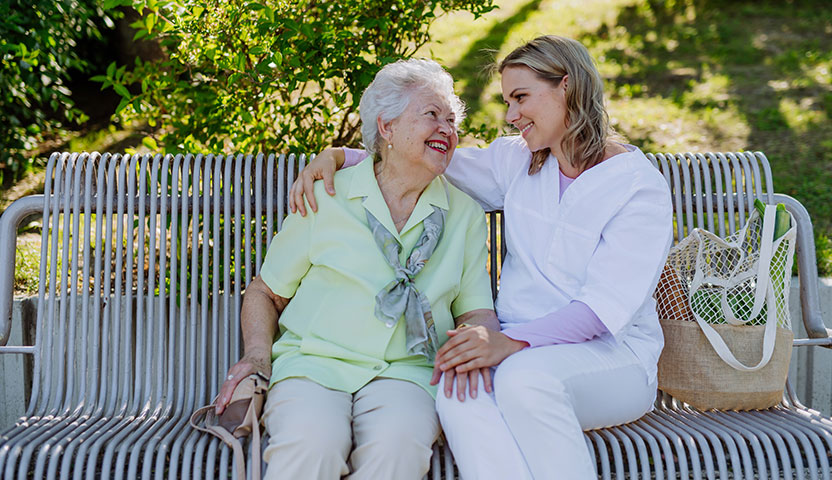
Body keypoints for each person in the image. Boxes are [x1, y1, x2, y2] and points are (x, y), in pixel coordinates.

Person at [288, 35, 674, 479]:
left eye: (521, 98)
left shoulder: (636, 187)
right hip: (513, 352)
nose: (511, 116)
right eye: (508, 101)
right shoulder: (518, 162)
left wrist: (509, 344)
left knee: (525, 381)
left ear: (566, 86)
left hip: (611, 357)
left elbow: (603, 309)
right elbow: (423, 157)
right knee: (456, 390)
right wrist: (338, 155)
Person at [214, 58, 497, 480]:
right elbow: (266, 292)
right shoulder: (326, 195)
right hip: (314, 363)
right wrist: (257, 355)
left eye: (452, 120)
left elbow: (475, 311)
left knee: (398, 451)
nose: (447, 129)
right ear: (387, 128)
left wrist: (479, 338)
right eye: (432, 115)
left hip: (408, 371)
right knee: (311, 446)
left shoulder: (465, 215)